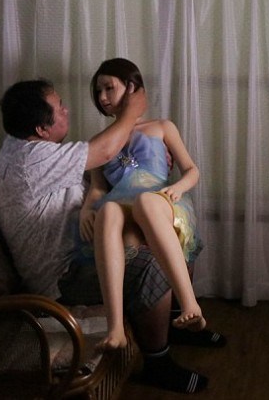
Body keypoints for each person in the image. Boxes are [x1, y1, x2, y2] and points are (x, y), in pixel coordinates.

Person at [0, 79, 208, 394]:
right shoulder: (31, 159)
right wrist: (132, 111)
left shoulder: (19, 145)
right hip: (62, 277)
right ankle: (158, 363)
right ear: (41, 129)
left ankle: (178, 322)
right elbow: (104, 151)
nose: (67, 110)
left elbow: (99, 170)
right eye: (60, 108)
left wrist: (145, 162)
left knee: (167, 226)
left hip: (80, 249)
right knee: (151, 264)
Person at [79, 58, 205, 352]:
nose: (102, 97)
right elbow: (98, 188)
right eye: (98, 91)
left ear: (132, 87)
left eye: (109, 88)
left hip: (160, 202)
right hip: (123, 208)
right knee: (107, 209)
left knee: (146, 201)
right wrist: (86, 209)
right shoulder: (100, 142)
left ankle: (190, 304)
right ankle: (115, 330)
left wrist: (177, 187)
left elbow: (191, 170)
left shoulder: (162, 126)